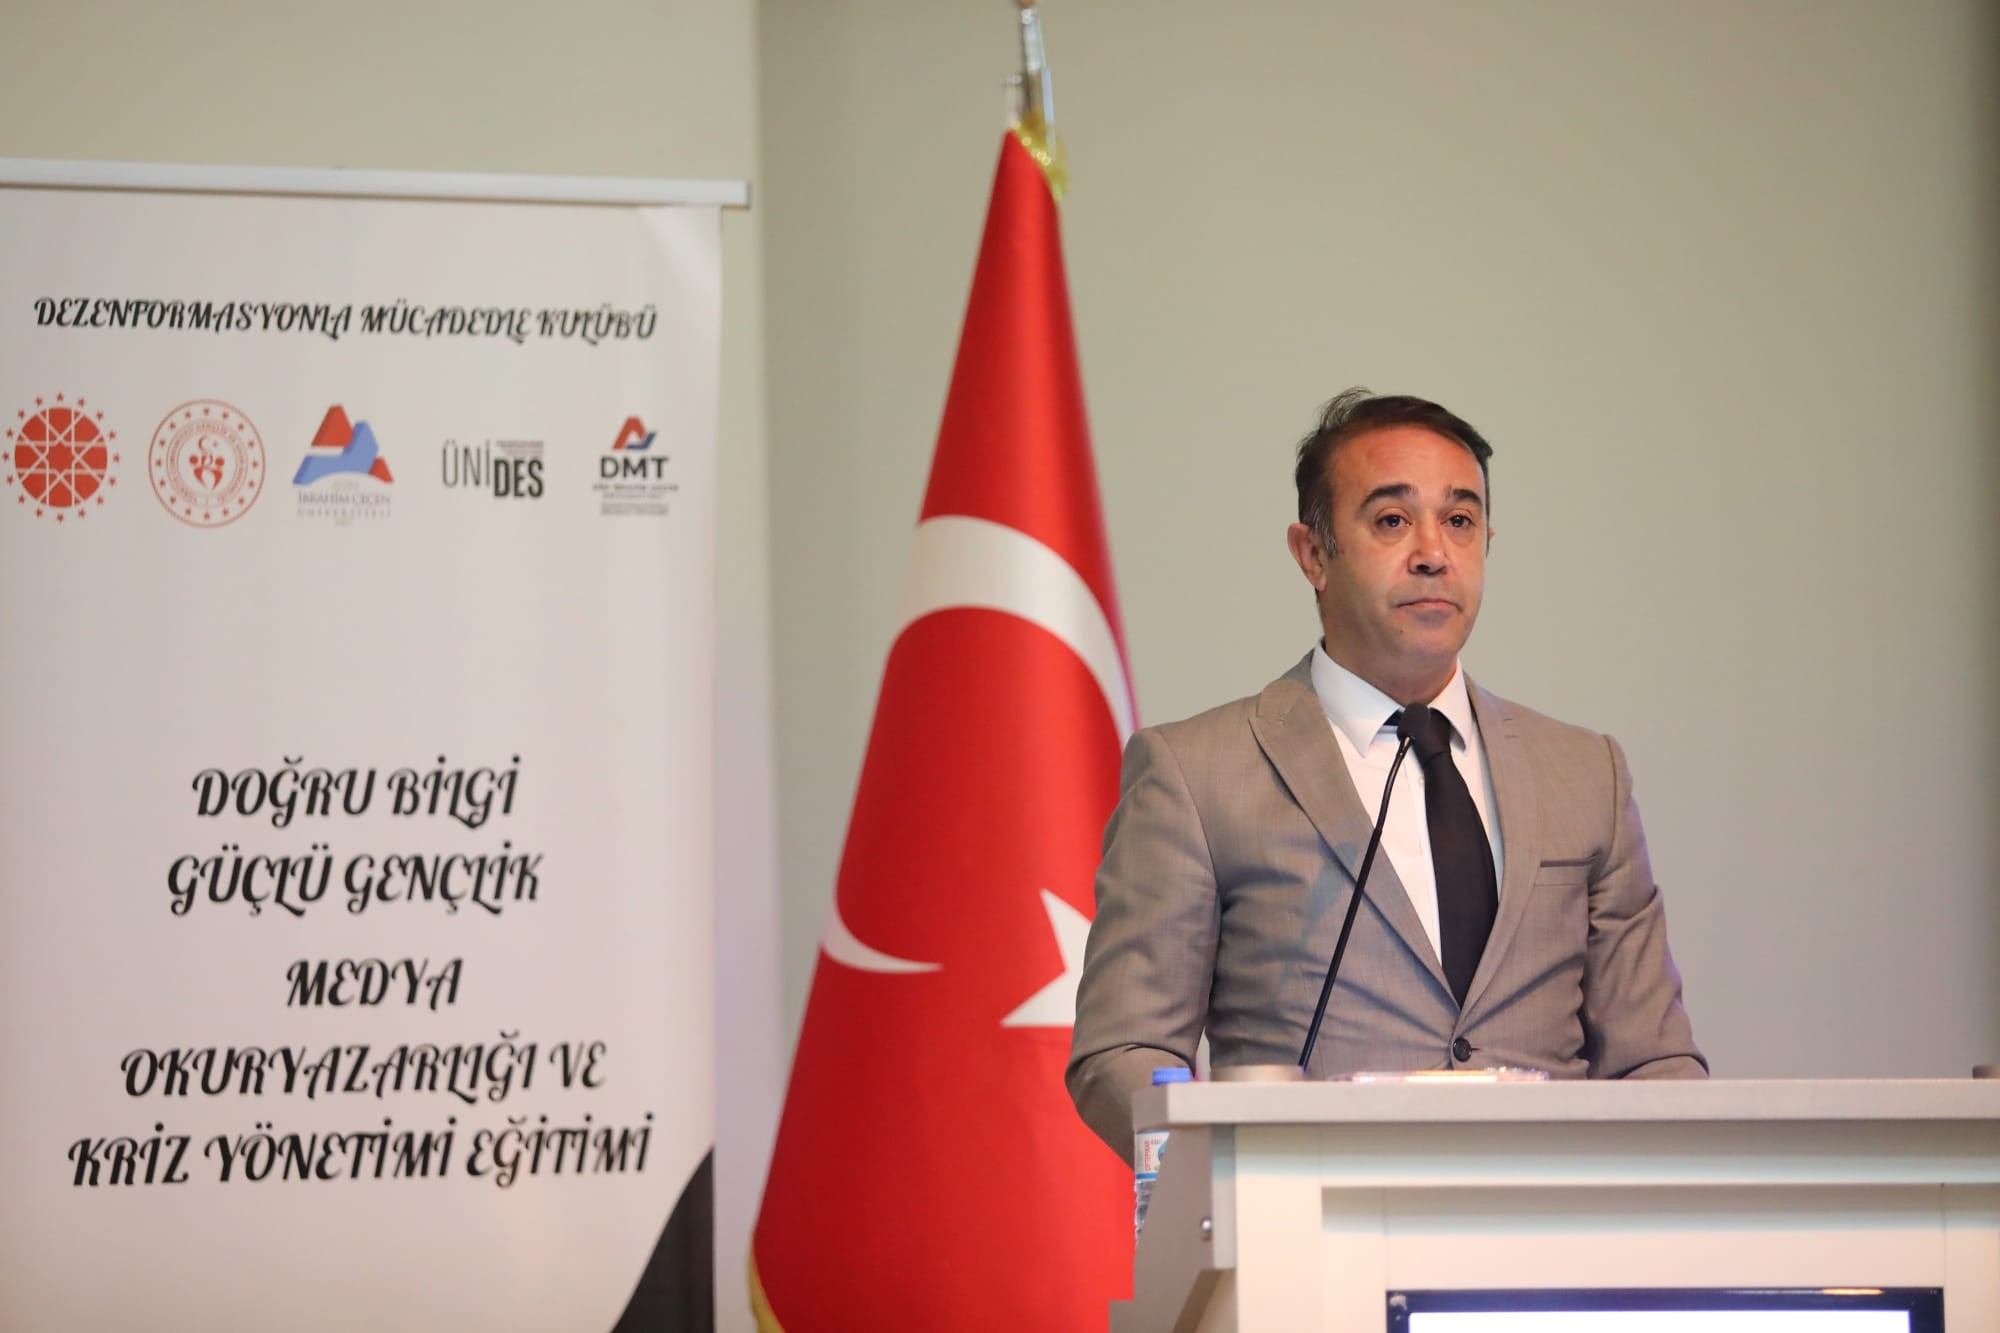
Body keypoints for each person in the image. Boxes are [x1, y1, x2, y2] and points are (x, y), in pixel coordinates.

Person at [1066, 388, 1705, 1160]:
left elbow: (1652, 1062)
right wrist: (1231, 1170)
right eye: (1393, 520)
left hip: (1551, 1220)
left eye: (1460, 520)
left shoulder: (1585, 774)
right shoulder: (1196, 774)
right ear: (1313, 554)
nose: (1434, 552)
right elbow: (1122, 1051)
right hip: (1307, 1217)